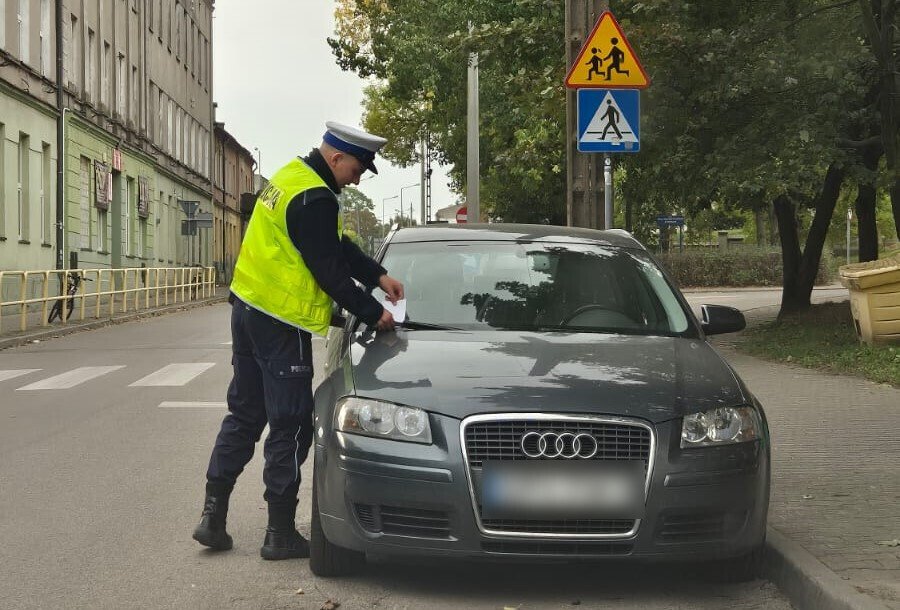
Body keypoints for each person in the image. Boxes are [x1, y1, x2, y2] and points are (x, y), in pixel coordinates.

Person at [192, 122, 405, 560]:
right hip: (278, 323)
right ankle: (280, 533)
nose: (359, 177)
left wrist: (377, 274)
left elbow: (333, 244)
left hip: (246, 309)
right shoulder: (315, 197)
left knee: (245, 414)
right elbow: (327, 269)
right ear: (336, 158)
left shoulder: (292, 177)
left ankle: (212, 516)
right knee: (290, 424)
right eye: (359, 168)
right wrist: (373, 311)